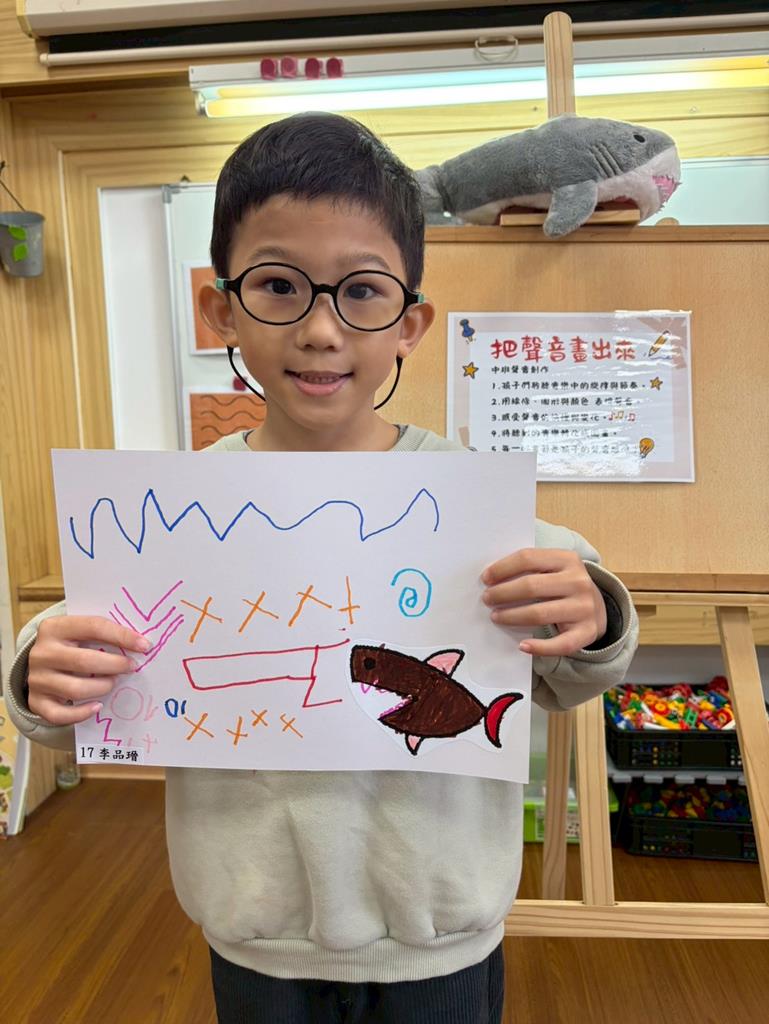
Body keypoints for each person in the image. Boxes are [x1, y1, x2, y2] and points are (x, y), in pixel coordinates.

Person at [6, 112, 639, 1024]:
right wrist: (44, 669)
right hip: (254, 935)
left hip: (440, 941)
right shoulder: (177, 512)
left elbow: (571, 663)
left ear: (409, 324)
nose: (319, 329)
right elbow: (84, 689)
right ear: (220, 309)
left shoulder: (469, 500)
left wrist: (594, 612)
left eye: (361, 292)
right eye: (278, 285)